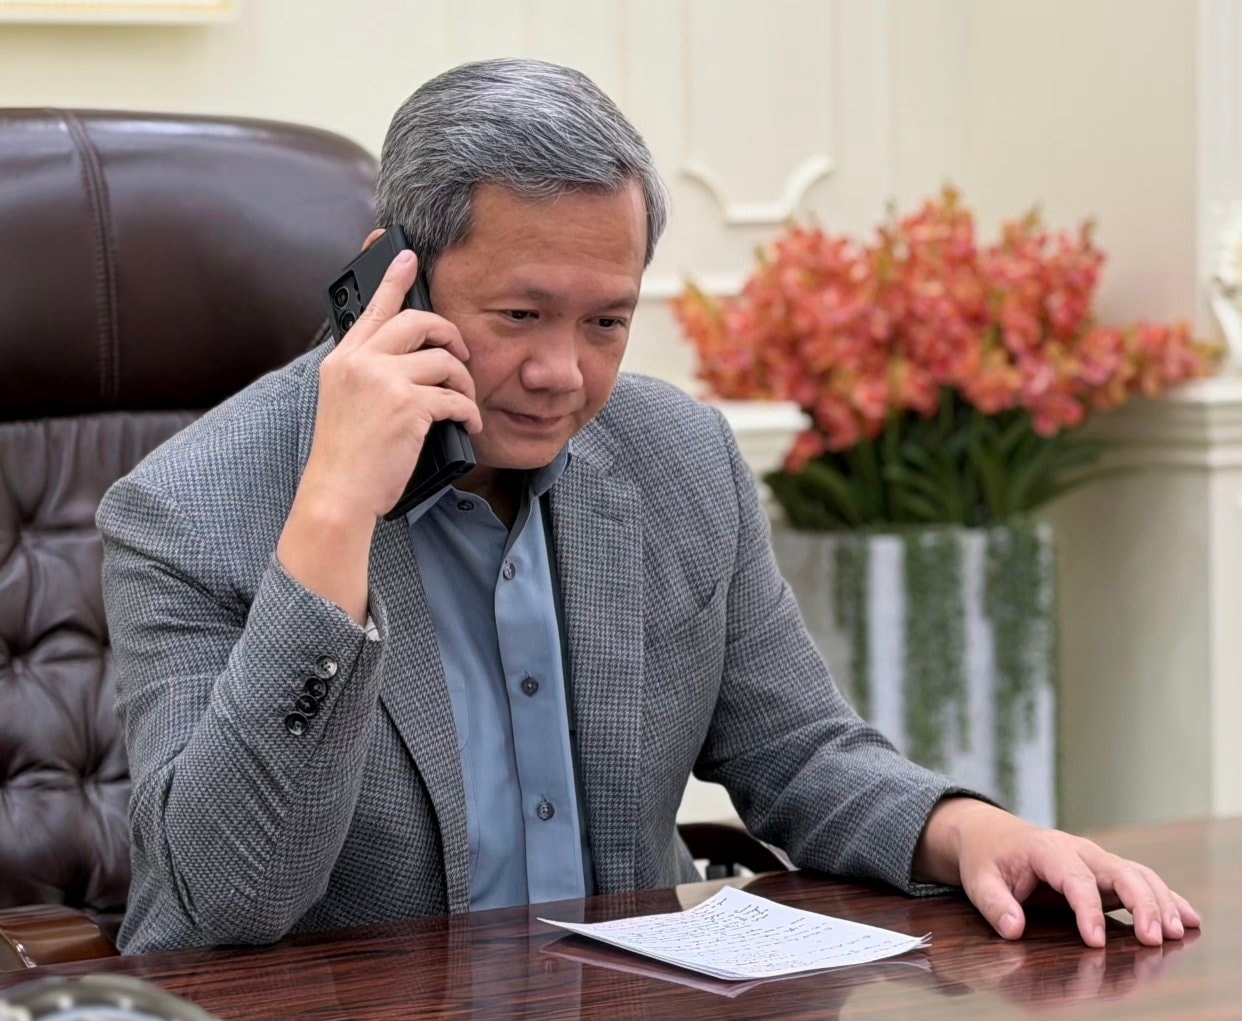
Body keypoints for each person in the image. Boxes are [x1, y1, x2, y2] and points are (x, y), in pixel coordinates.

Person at [98, 58, 1199, 955]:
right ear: (398, 281)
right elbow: (224, 900)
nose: (561, 375)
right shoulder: (186, 511)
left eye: (606, 322)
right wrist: (334, 517)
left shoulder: (677, 457)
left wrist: (974, 832)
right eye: (521, 315)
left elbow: (799, 753)